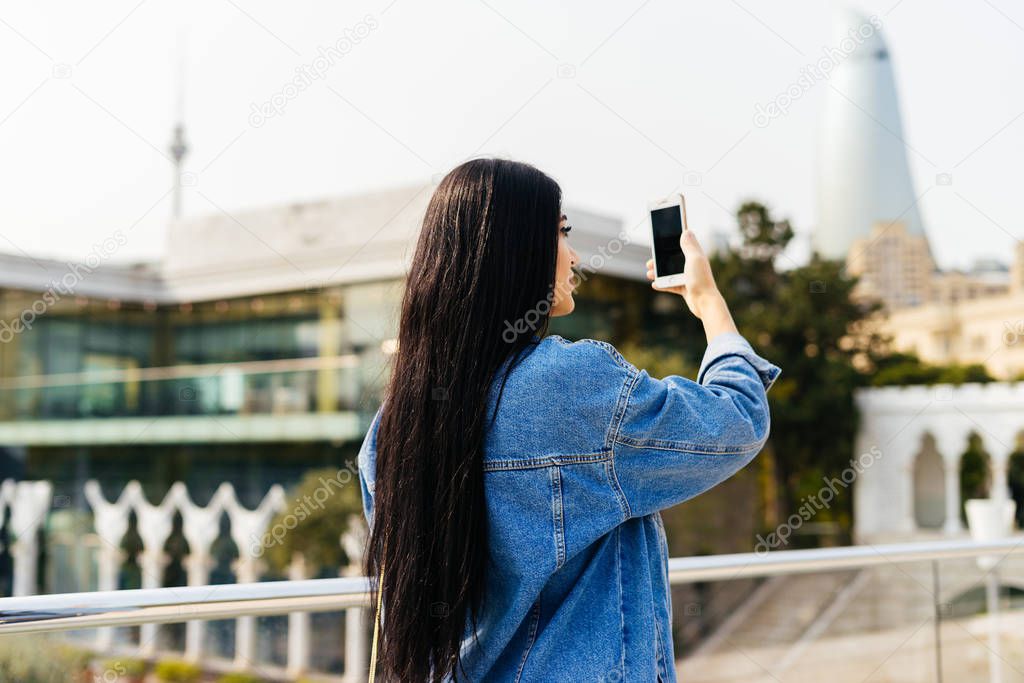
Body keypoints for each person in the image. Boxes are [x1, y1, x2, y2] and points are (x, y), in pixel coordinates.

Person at [357, 158, 781, 682]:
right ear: (516, 250)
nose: (574, 256)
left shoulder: (392, 429)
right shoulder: (571, 382)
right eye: (561, 232)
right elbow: (735, 423)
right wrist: (709, 303)